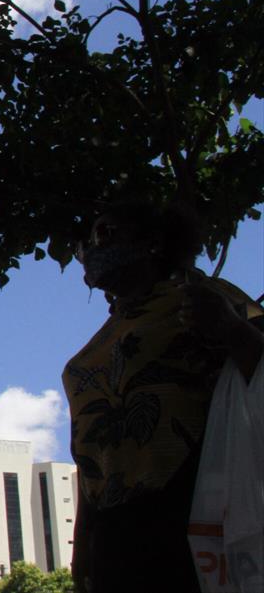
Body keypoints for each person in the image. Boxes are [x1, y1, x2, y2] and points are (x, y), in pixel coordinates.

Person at [65, 200, 263, 592]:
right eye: (85, 243)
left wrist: (232, 329)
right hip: (114, 529)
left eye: (105, 233)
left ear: (153, 241)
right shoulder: (102, 339)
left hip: (192, 508)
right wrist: (83, 542)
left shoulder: (207, 295)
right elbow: (93, 451)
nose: (92, 249)